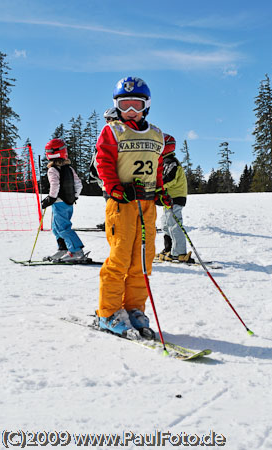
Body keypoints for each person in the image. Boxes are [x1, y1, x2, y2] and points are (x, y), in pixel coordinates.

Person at [95, 76, 172, 338]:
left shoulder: (156, 134)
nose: (130, 111)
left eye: (135, 105)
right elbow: (103, 163)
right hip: (122, 205)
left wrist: (161, 190)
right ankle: (108, 312)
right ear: (116, 105)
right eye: (124, 105)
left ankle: (134, 308)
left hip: (147, 205)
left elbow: (157, 166)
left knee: (142, 260)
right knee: (119, 260)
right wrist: (116, 188)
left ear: (146, 106)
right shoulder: (113, 131)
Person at [41, 138, 85, 261]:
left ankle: (76, 251)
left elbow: (55, 185)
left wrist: (51, 198)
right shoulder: (69, 169)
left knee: (63, 228)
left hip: (59, 202)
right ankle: (63, 249)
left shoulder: (52, 170)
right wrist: (74, 196)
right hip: (68, 203)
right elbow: (79, 184)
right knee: (57, 228)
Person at [156, 134, 195, 264]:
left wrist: (156, 188)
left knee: (174, 225)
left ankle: (179, 253)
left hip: (175, 197)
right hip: (168, 198)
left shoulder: (171, 162)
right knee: (166, 224)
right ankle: (168, 249)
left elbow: (169, 179)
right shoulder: (165, 161)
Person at [88, 107, 118, 230]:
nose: (107, 122)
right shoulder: (107, 133)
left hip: (113, 179)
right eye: (106, 119)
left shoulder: (117, 133)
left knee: (113, 203)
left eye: (110, 119)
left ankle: (114, 223)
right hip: (105, 179)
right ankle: (110, 221)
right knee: (109, 203)